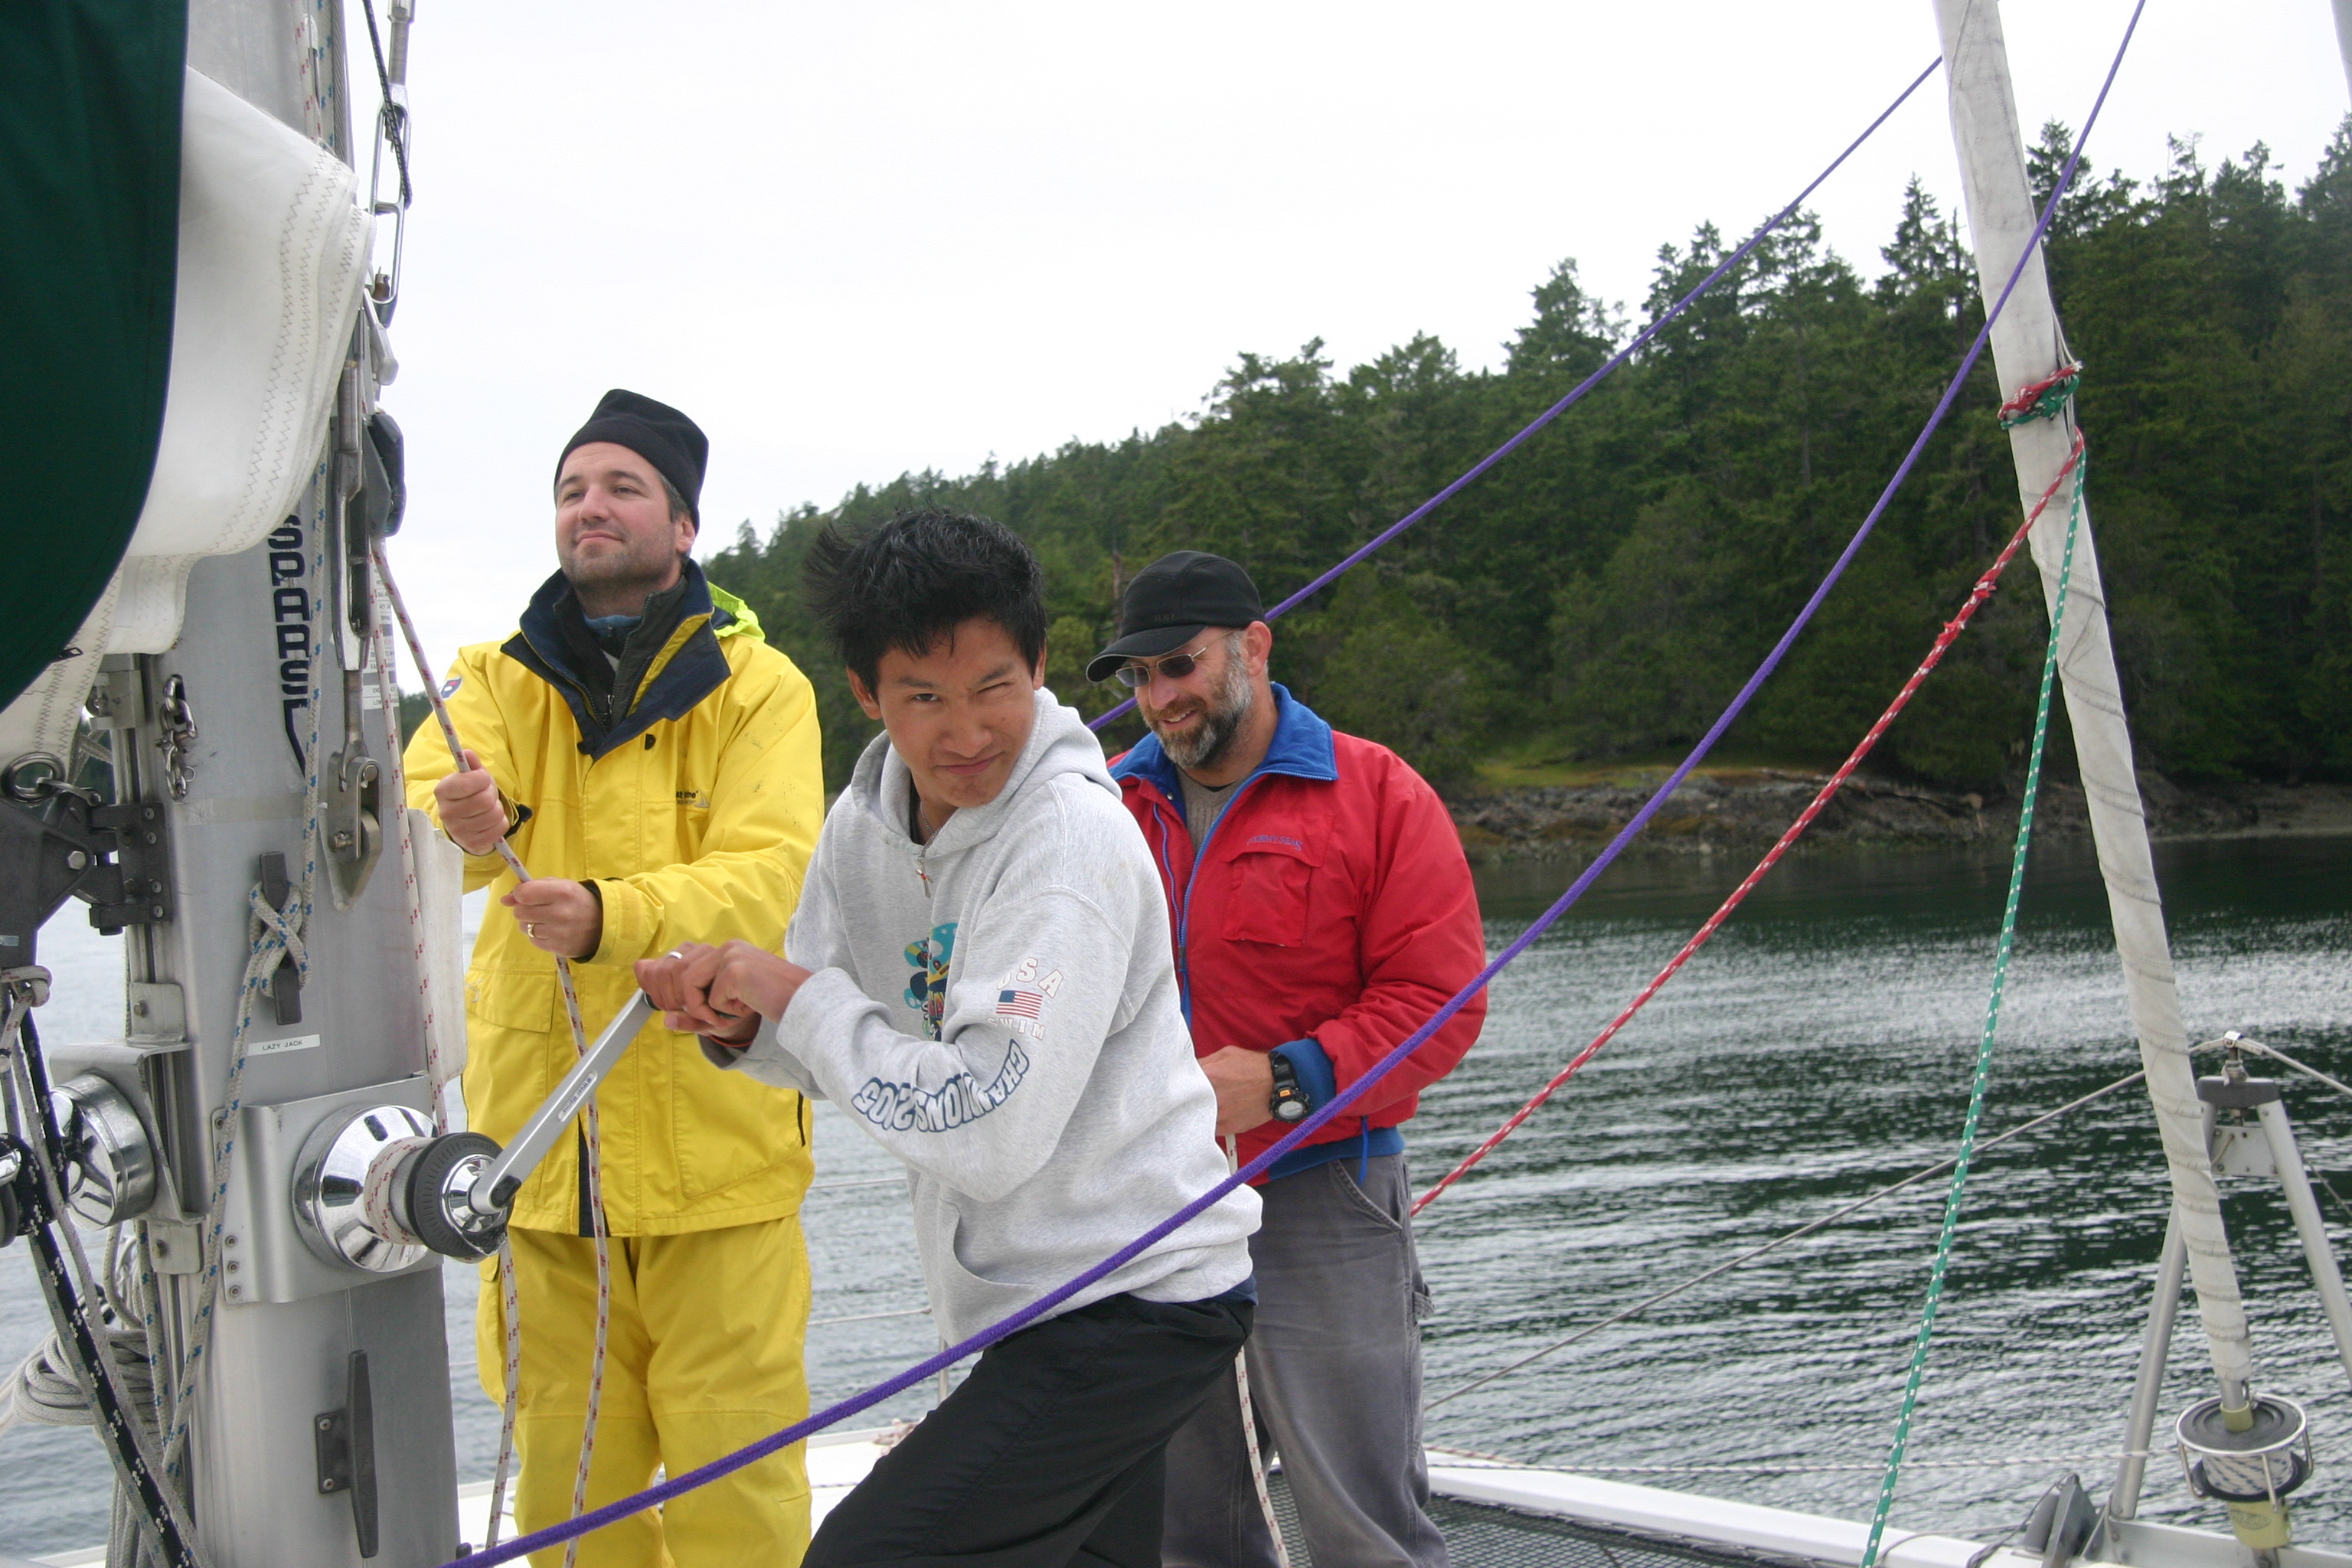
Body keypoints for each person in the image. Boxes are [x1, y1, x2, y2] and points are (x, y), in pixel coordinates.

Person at [634, 508, 1262, 1568]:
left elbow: (984, 1128)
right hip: (1030, 1306)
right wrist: (749, 1021)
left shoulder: (1068, 843)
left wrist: (796, 996)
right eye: (924, 697)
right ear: (867, 694)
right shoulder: (862, 828)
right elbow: (845, 1037)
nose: (966, 733)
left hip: (1133, 1296)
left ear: (1041, 669)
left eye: (993, 688)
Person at [404, 388, 825, 1566]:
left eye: (622, 486)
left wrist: (609, 915)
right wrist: (466, 817)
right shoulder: (488, 680)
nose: (590, 505)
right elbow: (423, 813)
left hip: (720, 1167)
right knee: (566, 1503)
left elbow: (772, 875)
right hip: (543, 1173)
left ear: (683, 525)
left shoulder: (762, 688)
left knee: (738, 1493)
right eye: (571, 489)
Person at [1087, 550, 1488, 1568]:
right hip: (1153, 1210)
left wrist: (1281, 1080)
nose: (1159, 698)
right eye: (1140, 676)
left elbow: (1440, 1004)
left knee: (1363, 1526)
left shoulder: (1380, 793)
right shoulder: (1101, 808)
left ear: (1253, 647)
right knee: (1187, 1531)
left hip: (1327, 1197)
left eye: (1179, 666)